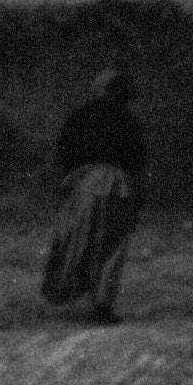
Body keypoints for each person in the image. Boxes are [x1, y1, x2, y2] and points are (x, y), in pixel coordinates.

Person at [40, 70, 145, 321]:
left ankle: (78, 289)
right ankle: (101, 301)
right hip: (115, 185)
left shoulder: (80, 117)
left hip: (83, 183)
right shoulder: (128, 120)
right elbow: (137, 159)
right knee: (111, 246)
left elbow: (64, 152)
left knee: (78, 239)